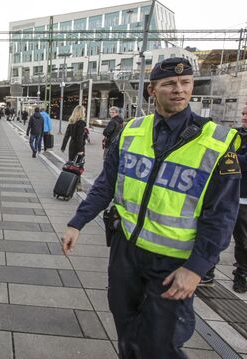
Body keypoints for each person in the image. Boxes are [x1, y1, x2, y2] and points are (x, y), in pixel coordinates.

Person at [60, 57, 241, 358]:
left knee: (161, 344)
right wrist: (77, 222)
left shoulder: (216, 143)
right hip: (126, 251)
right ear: (152, 90)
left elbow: (221, 215)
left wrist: (197, 268)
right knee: (126, 330)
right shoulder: (131, 131)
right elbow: (106, 183)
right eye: (170, 83)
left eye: (185, 83)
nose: (179, 90)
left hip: (173, 263)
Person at [231, 104, 247, 293]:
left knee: (243, 241)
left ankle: (242, 273)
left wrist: (230, 157)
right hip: (229, 194)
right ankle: (207, 271)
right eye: (243, 113)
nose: (244, 117)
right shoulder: (234, 135)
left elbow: (243, 162)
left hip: (244, 198)